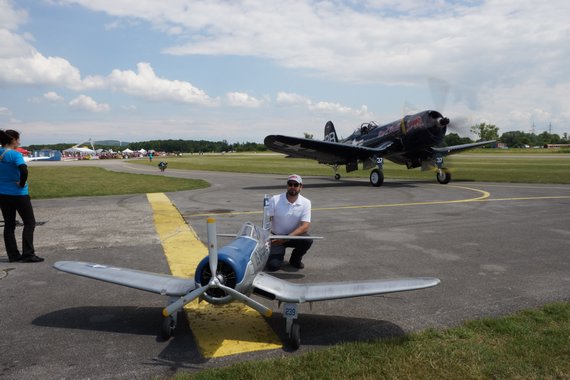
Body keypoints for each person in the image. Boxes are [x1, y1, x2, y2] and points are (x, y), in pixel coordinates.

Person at [0, 129, 43, 263]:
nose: (19, 142)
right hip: (19, 194)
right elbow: (23, 170)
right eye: (18, 139)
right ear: (12, 140)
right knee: (30, 223)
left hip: (3, 194)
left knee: (9, 224)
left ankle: (13, 255)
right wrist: (22, 183)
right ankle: (28, 254)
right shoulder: (15, 154)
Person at [266, 174, 313, 271]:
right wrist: (267, 236)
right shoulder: (275, 199)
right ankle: (276, 257)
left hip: (294, 236)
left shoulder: (306, 202)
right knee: (273, 266)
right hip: (276, 237)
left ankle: (295, 259)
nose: (292, 187)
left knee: (307, 240)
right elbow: (267, 220)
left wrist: (285, 239)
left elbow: (305, 226)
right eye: (290, 184)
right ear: (287, 185)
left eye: (296, 185)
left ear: (301, 187)